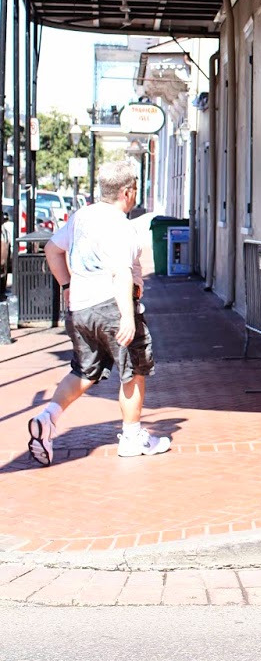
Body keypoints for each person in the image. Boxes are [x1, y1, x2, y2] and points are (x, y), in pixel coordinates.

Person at [27, 157, 170, 466]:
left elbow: (52, 249)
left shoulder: (82, 216)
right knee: (133, 369)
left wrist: (67, 286)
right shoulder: (121, 225)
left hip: (80, 308)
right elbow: (120, 272)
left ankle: (47, 418)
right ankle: (131, 437)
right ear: (128, 191)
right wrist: (128, 316)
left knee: (84, 370)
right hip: (111, 306)